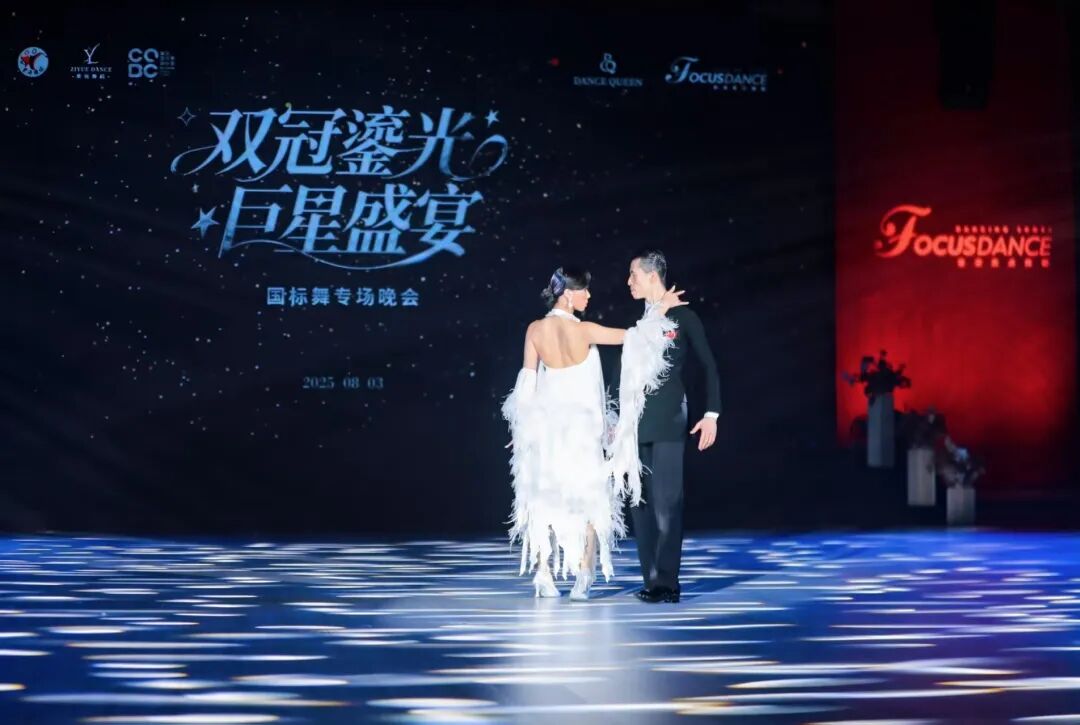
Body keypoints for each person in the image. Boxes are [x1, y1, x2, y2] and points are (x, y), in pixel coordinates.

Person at [502, 266, 685, 600]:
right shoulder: (585, 330)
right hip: (583, 431)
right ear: (567, 294)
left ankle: (544, 575)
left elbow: (527, 383)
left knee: (545, 496)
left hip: (547, 429)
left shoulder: (535, 330)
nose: (589, 295)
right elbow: (636, 336)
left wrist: (522, 427)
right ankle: (583, 576)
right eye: (584, 289)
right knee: (590, 498)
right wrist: (660, 309)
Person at [624, 250, 721, 604]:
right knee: (640, 502)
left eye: (634, 275)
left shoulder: (683, 316)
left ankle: (667, 582)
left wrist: (711, 414)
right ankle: (651, 580)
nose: (629, 282)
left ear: (653, 276)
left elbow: (709, 365)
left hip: (668, 419)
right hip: (636, 422)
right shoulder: (641, 324)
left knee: (666, 502)